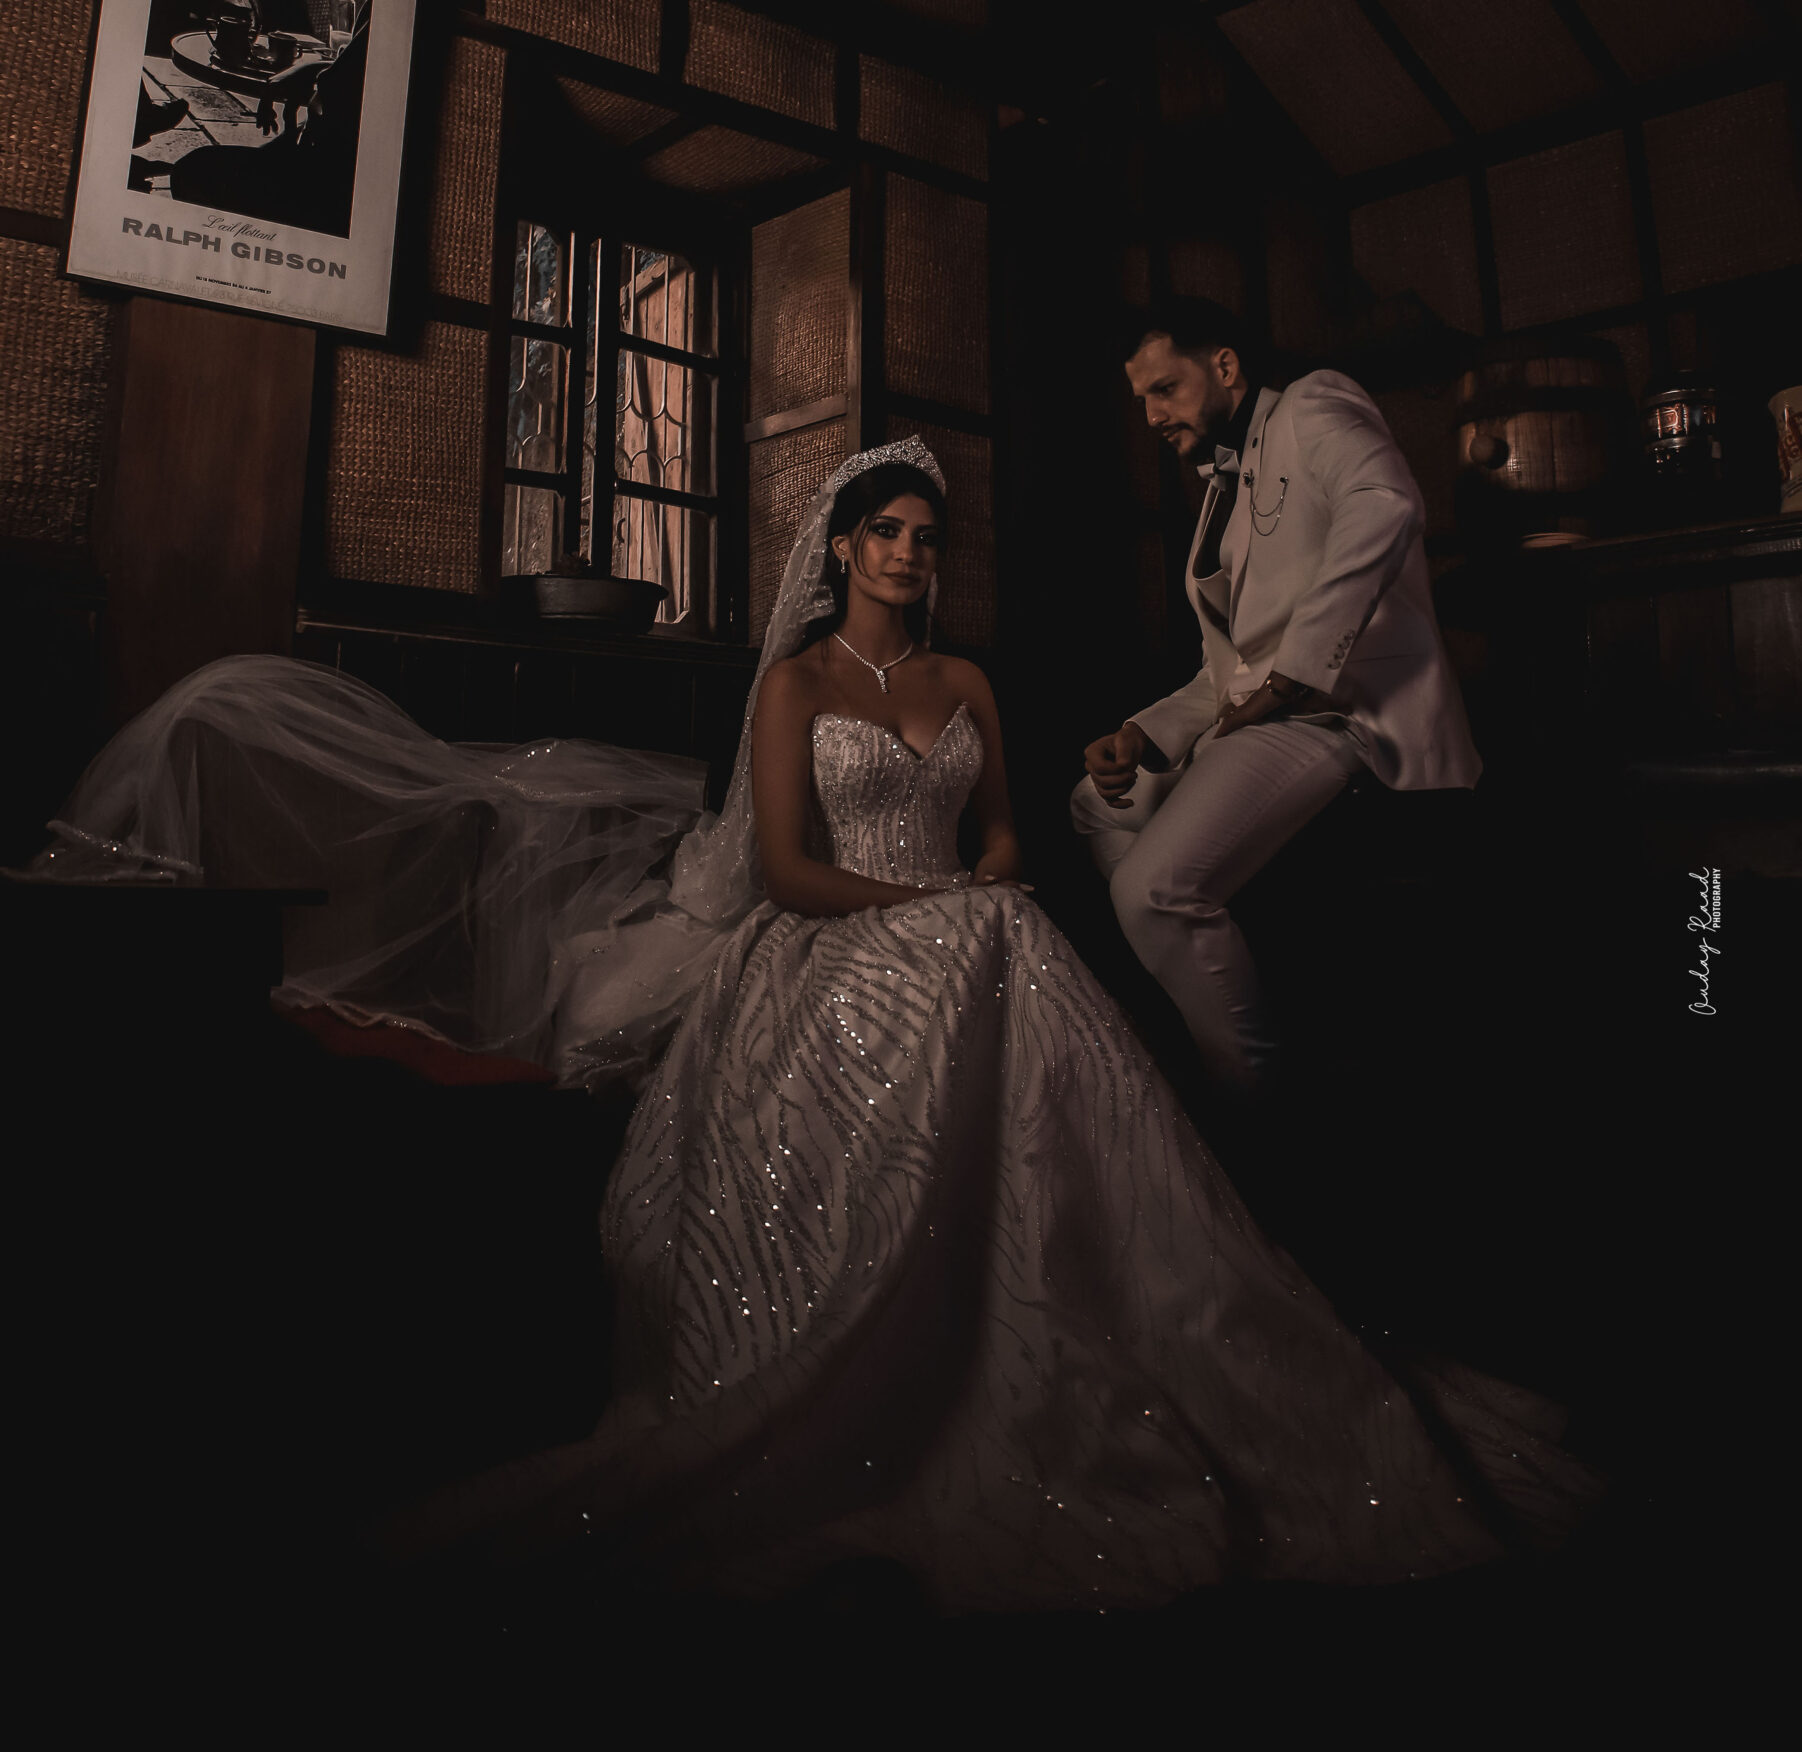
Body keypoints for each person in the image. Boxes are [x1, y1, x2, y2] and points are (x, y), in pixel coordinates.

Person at [45, 440, 1597, 1611]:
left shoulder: (967, 677)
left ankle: (1090, 1284)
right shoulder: (794, 686)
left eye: (927, 536)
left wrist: (981, 876)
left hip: (957, 920)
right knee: (978, 943)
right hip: (822, 939)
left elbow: (1003, 834)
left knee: (1005, 931)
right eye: (888, 532)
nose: (912, 553)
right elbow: (786, 870)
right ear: (842, 548)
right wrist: (925, 904)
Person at [1074, 305, 1479, 1100]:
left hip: (1344, 711)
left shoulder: (1314, 403)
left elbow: (1385, 502)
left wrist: (1292, 677)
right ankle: (1205, 989)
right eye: (1141, 400)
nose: (1151, 415)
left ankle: (1250, 1096)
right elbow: (1224, 670)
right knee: (1093, 803)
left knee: (1150, 894)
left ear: (1225, 367)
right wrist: (1141, 734)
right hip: (1263, 715)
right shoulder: (1218, 491)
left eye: (1165, 388)